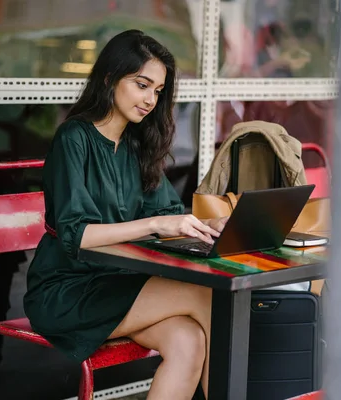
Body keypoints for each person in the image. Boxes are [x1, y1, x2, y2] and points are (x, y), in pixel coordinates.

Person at [23, 30, 227, 400]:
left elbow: (167, 213)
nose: (151, 100)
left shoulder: (136, 145)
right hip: (67, 291)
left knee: (188, 341)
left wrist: (209, 225)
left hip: (119, 283)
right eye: (142, 84)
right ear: (108, 78)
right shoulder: (74, 138)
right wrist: (154, 224)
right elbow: (77, 235)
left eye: (158, 90)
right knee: (209, 298)